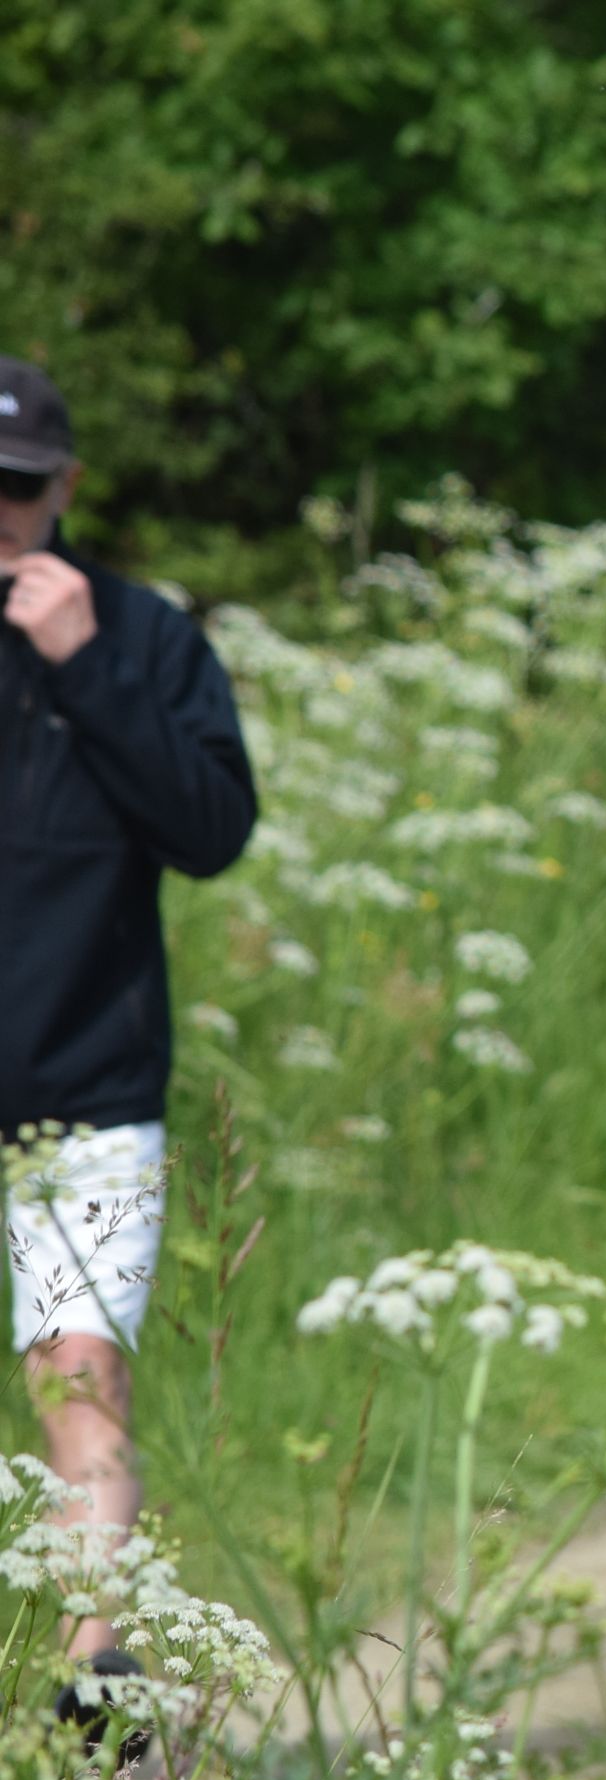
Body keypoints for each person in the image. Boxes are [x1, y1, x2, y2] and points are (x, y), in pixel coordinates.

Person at [1, 353, 260, 1697]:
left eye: (17, 487)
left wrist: (86, 666)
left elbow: (211, 832)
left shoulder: (146, 638)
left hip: (89, 1099)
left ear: (66, 487)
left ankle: (86, 1693)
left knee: (81, 1380)